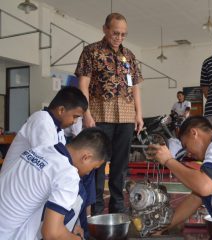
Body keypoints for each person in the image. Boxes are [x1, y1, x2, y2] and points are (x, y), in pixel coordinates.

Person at [75, 12, 144, 215]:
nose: (119, 38)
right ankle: (96, 208)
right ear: (105, 29)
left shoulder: (129, 56)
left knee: (120, 165)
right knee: (97, 163)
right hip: (100, 115)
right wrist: (86, 114)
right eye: (116, 33)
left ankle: (117, 206)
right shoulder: (91, 51)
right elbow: (83, 84)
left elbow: (135, 87)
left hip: (126, 116)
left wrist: (138, 114)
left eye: (123, 34)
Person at [0, 127, 112, 240]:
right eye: (93, 168)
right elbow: (51, 234)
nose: (89, 173)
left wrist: (68, 231)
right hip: (9, 236)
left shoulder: (39, 150)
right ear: (86, 157)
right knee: (80, 195)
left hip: (5, 228)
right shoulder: (68, 174)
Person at [1, 86, 88, 172]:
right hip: (15, 181)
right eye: (75, 117)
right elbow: (47, 161)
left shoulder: (59, 129)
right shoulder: (42, 120)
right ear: (61, 110)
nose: (75, 122)